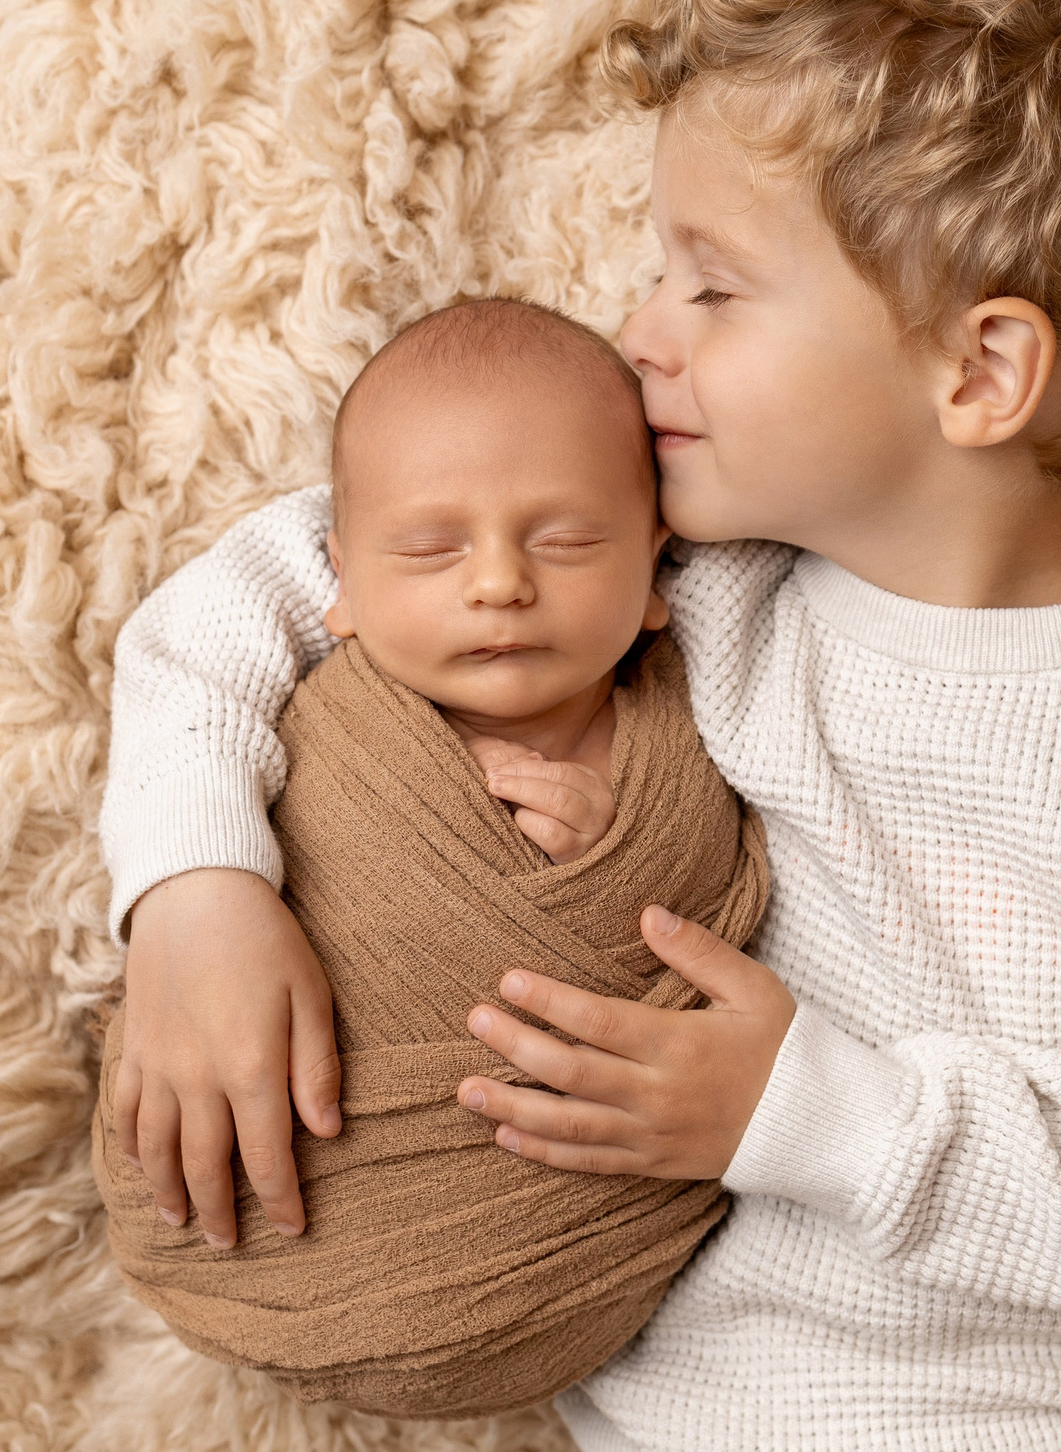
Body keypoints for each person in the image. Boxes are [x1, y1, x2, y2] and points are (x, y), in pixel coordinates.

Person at [100, 0, 1061, 1451]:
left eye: (711, 289)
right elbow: (257, 591)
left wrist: (810, 1114)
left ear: (978, 374)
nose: (639, 336)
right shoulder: (676, 575)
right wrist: (194, 888)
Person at [92, 299, 768, 1418]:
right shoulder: (303, 700)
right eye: (428, 548)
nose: (499, 580)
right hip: (250, 1231)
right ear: (341, 585)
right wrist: (197, 886)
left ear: (660, 568)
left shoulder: (712, 696)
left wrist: (631, 840)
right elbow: (192, 651)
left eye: (565, 540)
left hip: (569, 1268)